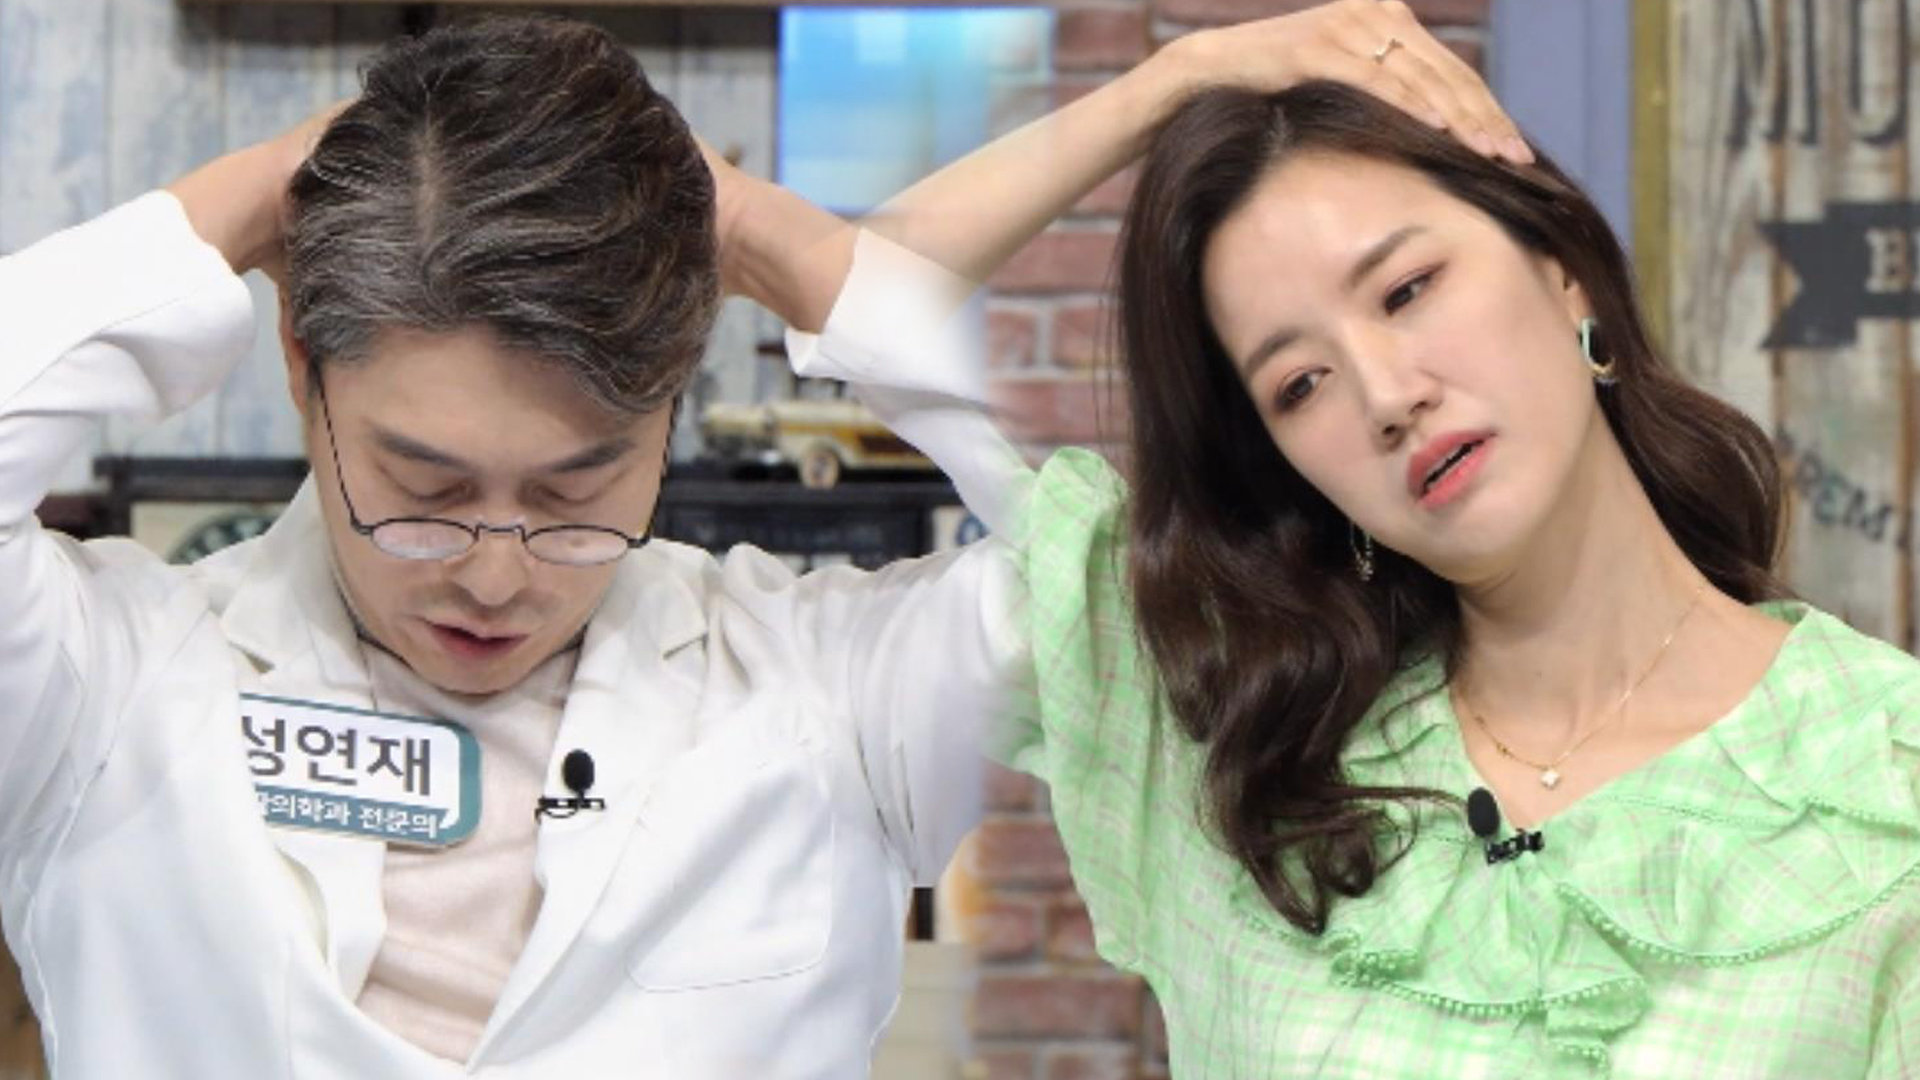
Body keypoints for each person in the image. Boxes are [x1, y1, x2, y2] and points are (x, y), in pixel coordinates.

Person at [0, 15, 1033, 1077]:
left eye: (573, 495)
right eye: (425, 490)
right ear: (303, 366)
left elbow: (1122, 540)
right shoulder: (102, 689)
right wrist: (257, 189)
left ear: (670, 406)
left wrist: (771, 237)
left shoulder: (838, 693)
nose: (496, 578)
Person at [947, 3, 1920, 1078]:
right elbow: (835, 297)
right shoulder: (1230, 732)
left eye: (1407, 290)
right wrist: (1177, 79)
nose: (1385, 395)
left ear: (1561, 266)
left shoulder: (1885, 784)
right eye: (1299, 384)